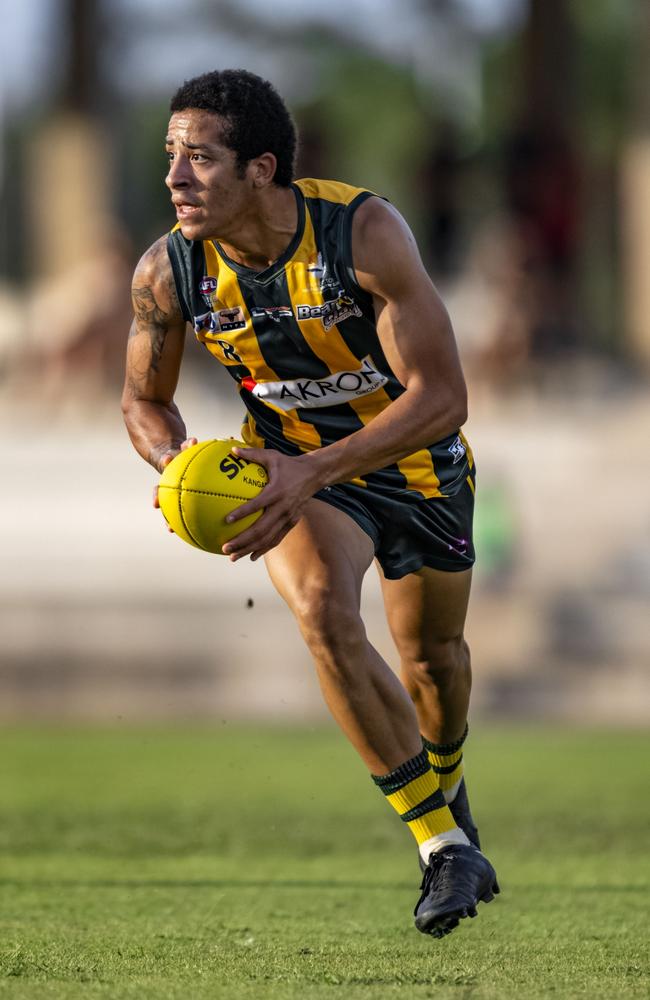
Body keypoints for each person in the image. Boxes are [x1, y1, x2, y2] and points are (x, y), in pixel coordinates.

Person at [122, 69, 498, 939]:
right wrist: (177, 463)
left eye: (200, 159)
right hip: (292, 470)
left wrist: (318, 469)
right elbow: (142, 400)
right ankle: (441, 845)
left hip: (414, 460)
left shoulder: (361, 232)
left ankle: (448, 783)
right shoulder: (168, 269)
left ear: (262, 168)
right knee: (324, 610)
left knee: (433, 661)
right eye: (170, 156)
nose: (176, 178)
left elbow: (442, 397)